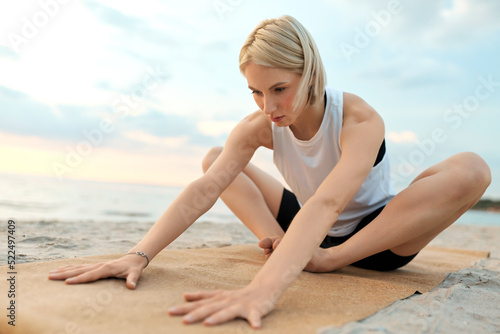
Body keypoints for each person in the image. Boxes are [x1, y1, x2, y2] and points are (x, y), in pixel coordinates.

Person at [49, 15, 491, 329]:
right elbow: (206, 189)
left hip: (373, 238)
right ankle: (278, 242)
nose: (269, 107)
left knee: (472, 168)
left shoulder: (358, 118)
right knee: (213, 159)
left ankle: (327, 258)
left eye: (280, 89)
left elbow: (328, 202)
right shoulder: (261, 125)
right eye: (256, 92)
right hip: (301, 226)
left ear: (310, 71)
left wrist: (263, 290)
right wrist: (138, 254)